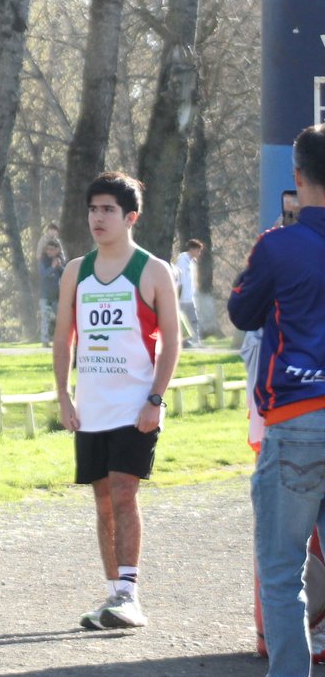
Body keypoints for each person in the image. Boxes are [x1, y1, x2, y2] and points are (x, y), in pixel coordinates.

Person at [52, 172, 179, 631]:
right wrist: (64, 396)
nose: (97, 218)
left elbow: (172, 341)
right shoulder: (76, 272)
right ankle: (111, 597)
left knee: (125, 492)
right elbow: (63, 339)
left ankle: (129, 595)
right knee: (102, 499)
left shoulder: (152, 270)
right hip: (91, 408)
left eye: (107, 209)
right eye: (93, 209)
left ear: (131, 217)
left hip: (135, 406)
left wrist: (155, 400)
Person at [231, 124, 325, 677]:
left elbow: (243, 313)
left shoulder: (278, 244)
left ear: (297, 177)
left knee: (283, 570)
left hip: (297, 417)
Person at [173, 239, 205, 348]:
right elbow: (179, 280)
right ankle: (183, 341)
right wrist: (177, 295)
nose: (199, 253)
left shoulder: (192, 262)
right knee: (182, 321)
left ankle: (196, 341)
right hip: (182, 298)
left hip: (190, 298)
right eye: (198, 250)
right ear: (192, 249)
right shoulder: (182, 260)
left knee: (193, 319)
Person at [38, 238, 66, 347]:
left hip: (56, 296)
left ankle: (59, 340)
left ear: (57, 250)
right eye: (48, 249)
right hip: (45, 296)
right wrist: (52, 267)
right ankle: (45, 341)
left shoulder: (59, 261)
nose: (49, 252)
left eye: (52, 249)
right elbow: (43, 274)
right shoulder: (43, 261)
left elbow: (65, 275)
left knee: (59, 318)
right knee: (45, 318)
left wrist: (59, 267)